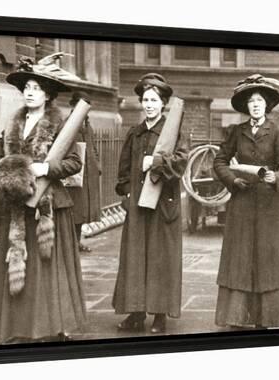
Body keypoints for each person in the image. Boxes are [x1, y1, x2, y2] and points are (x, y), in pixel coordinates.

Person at [0, 58, 87, 344]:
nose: (30, 92)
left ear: (48, 94)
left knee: (48, 268)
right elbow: (3, 159)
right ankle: (20, 326)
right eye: (27, 87)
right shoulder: (14, 123)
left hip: (48, 206)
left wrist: (46, 169)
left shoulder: (59, 123)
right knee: (17, 262)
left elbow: (75, 162)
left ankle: (53, 325)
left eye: (36, 88)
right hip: (18, 204)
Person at [213, 74, 279, 329]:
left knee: (267, 260)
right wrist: (232, 181)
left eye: (259, 100)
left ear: (266, 105)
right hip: (242, 203)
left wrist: (277, 177)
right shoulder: (237, 132)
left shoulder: (278, 131)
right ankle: (237, 317)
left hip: (270, 206)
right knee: (241, 257)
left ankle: (267, 318)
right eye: (251, 101)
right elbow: (220, 161)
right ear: (246, 106)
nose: (256, 105)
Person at [112, 73, 188, 334]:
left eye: (154, 100)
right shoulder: (135, 133)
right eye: (145, 100)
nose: (149, 105)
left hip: (163, 207)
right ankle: (135, 313)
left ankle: (159, 316)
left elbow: (180, 163)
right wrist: (127, 194)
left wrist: (154, 163)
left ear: (163, 102)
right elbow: (122, 171)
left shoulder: (174, 131)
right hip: (137, 209)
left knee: (160, 260)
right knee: (135, 259)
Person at [66, 91, 102, 252]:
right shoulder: (69, 124)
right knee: (75, 211)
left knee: (83, 212)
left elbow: (93, 147)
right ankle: (71, 243)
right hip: (74, 174)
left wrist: (97, 164)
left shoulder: (87, 125)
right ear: (73, 106)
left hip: (88, 174)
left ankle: (77, 241)